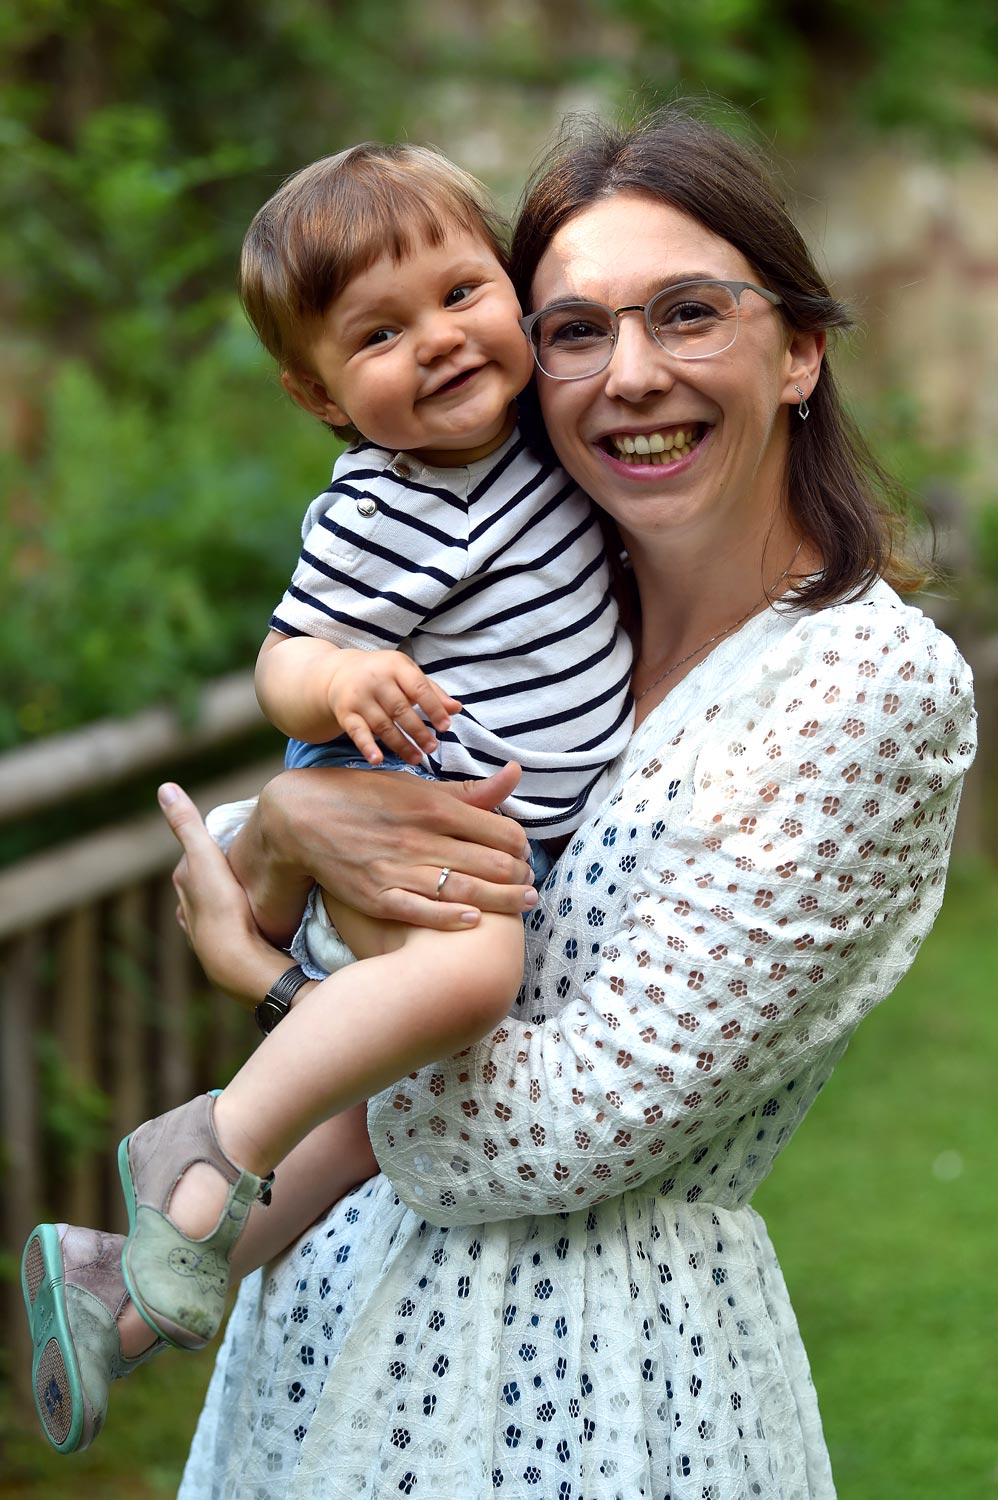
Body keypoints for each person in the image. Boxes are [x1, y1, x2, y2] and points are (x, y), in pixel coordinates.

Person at [32, 103, 977, 1498]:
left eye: (688, 314)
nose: (629, 373)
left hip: (598, 1373)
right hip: (327, 1322)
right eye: (578, 329)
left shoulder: (861, 689)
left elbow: (548, 1128)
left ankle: (177, 1201)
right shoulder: (551, 562)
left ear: (800, 349)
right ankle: (139, 1269)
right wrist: (283, 834)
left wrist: (279, 978)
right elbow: (341, 786)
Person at [22, 140, 637, 1453]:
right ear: (319, 396)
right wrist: (343, 679)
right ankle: (200, 1141)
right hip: (403, 817)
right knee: (470, 983)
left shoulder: (542, 437)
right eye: (379, 334)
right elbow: (280, 658)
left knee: (367, 1126)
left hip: (458, 831)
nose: (438, 341)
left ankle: (110, 1294)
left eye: (462, 295)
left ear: (513, 293)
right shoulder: (387, 501)